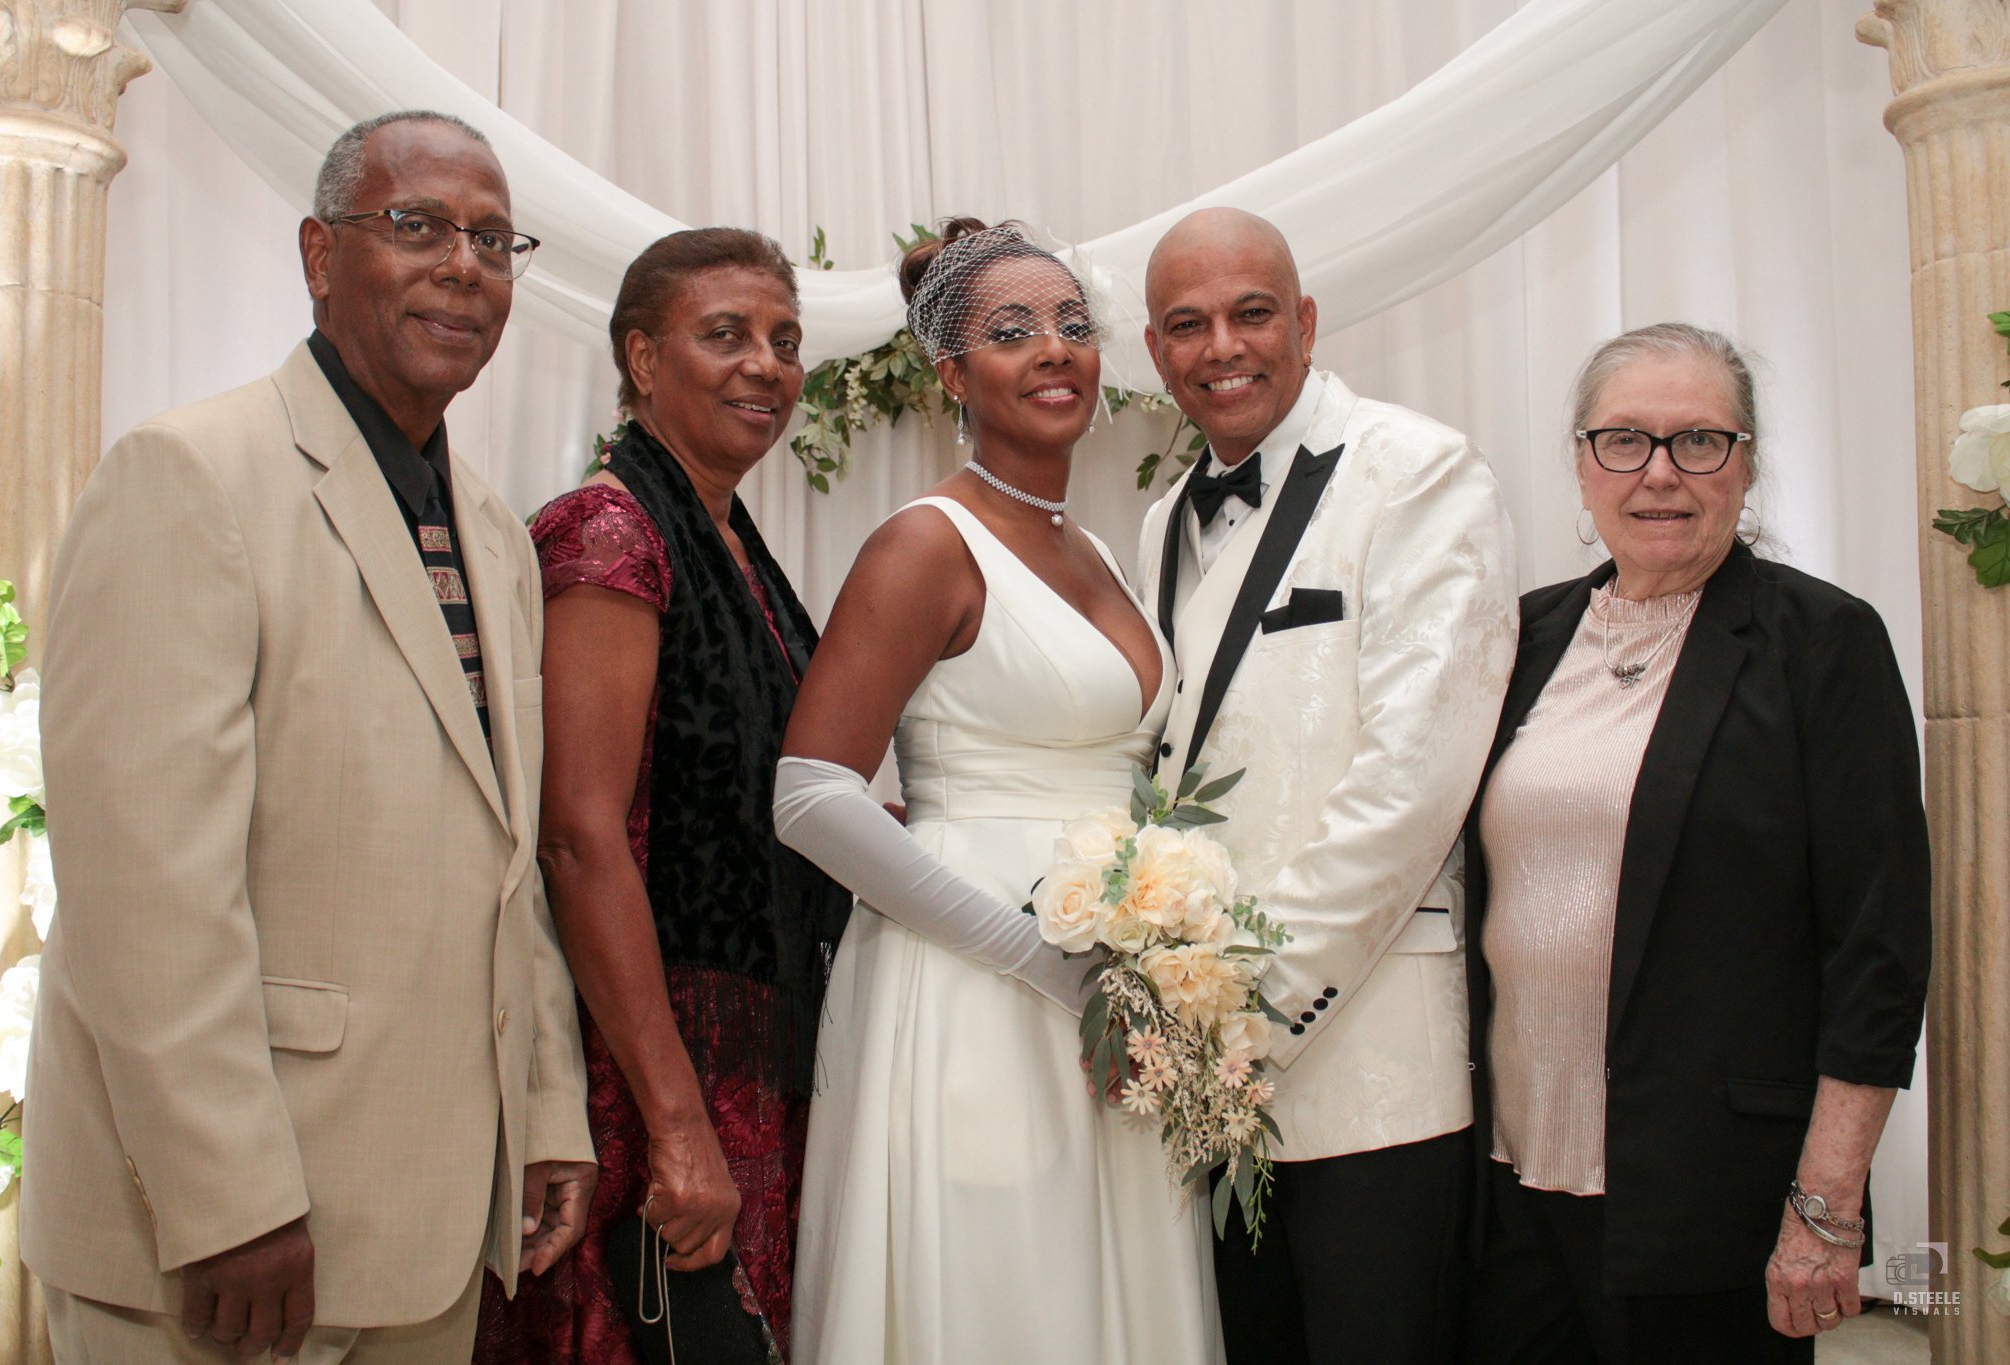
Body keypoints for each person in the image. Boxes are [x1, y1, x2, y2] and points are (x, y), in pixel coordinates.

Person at [24, 110, 595, 1363]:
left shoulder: (494, 532)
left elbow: (505, 853)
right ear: (318, 255)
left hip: (423, 1216)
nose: (463, 264)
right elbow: (145, 890)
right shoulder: (190, 475)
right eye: (416, 226)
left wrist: (546, 1107)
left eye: (495, 242)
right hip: (224, 1243)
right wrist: (224, 1198)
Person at [773, 218, 1223, 1364]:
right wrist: (1037, 958)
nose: (1054, 350)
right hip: (974, 987)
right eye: (1010, 331)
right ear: (951, 374)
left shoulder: (1103, 550)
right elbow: (811, 795)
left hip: (1111, 990)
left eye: (1072, 326)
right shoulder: (924, 544)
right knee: (1002, 1300)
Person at [1462, 323, 1932, 1362]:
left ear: (1746, 463)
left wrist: (1826, 1209)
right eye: (1623, 440)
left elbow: (1877, 947)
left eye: (1698, 442)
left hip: (1707, 1199)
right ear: (1582, 465)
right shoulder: (1519, 638)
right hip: (1507, 1186)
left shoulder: (1819, 642)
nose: (1659, 474)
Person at [1135, 206, 1517, 1364]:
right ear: (1155, 352)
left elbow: (1415, 783)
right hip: (1203, 1091)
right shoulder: (1158, 522)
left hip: (1364, 1059)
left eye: (1251, 314)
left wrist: (1242, 1012)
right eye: (1187, 325)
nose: (1222, 348)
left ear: (1302, 321)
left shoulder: (1418, 470)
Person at [473, 228, 851, 1363]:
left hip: (743, 1044)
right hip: (645, 1066)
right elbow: (580, 841)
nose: (765, 366)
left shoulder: (731, 538)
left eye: (783, 342)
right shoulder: (610, 531)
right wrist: (677, 1127)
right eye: (724, 334)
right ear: (641, 360)